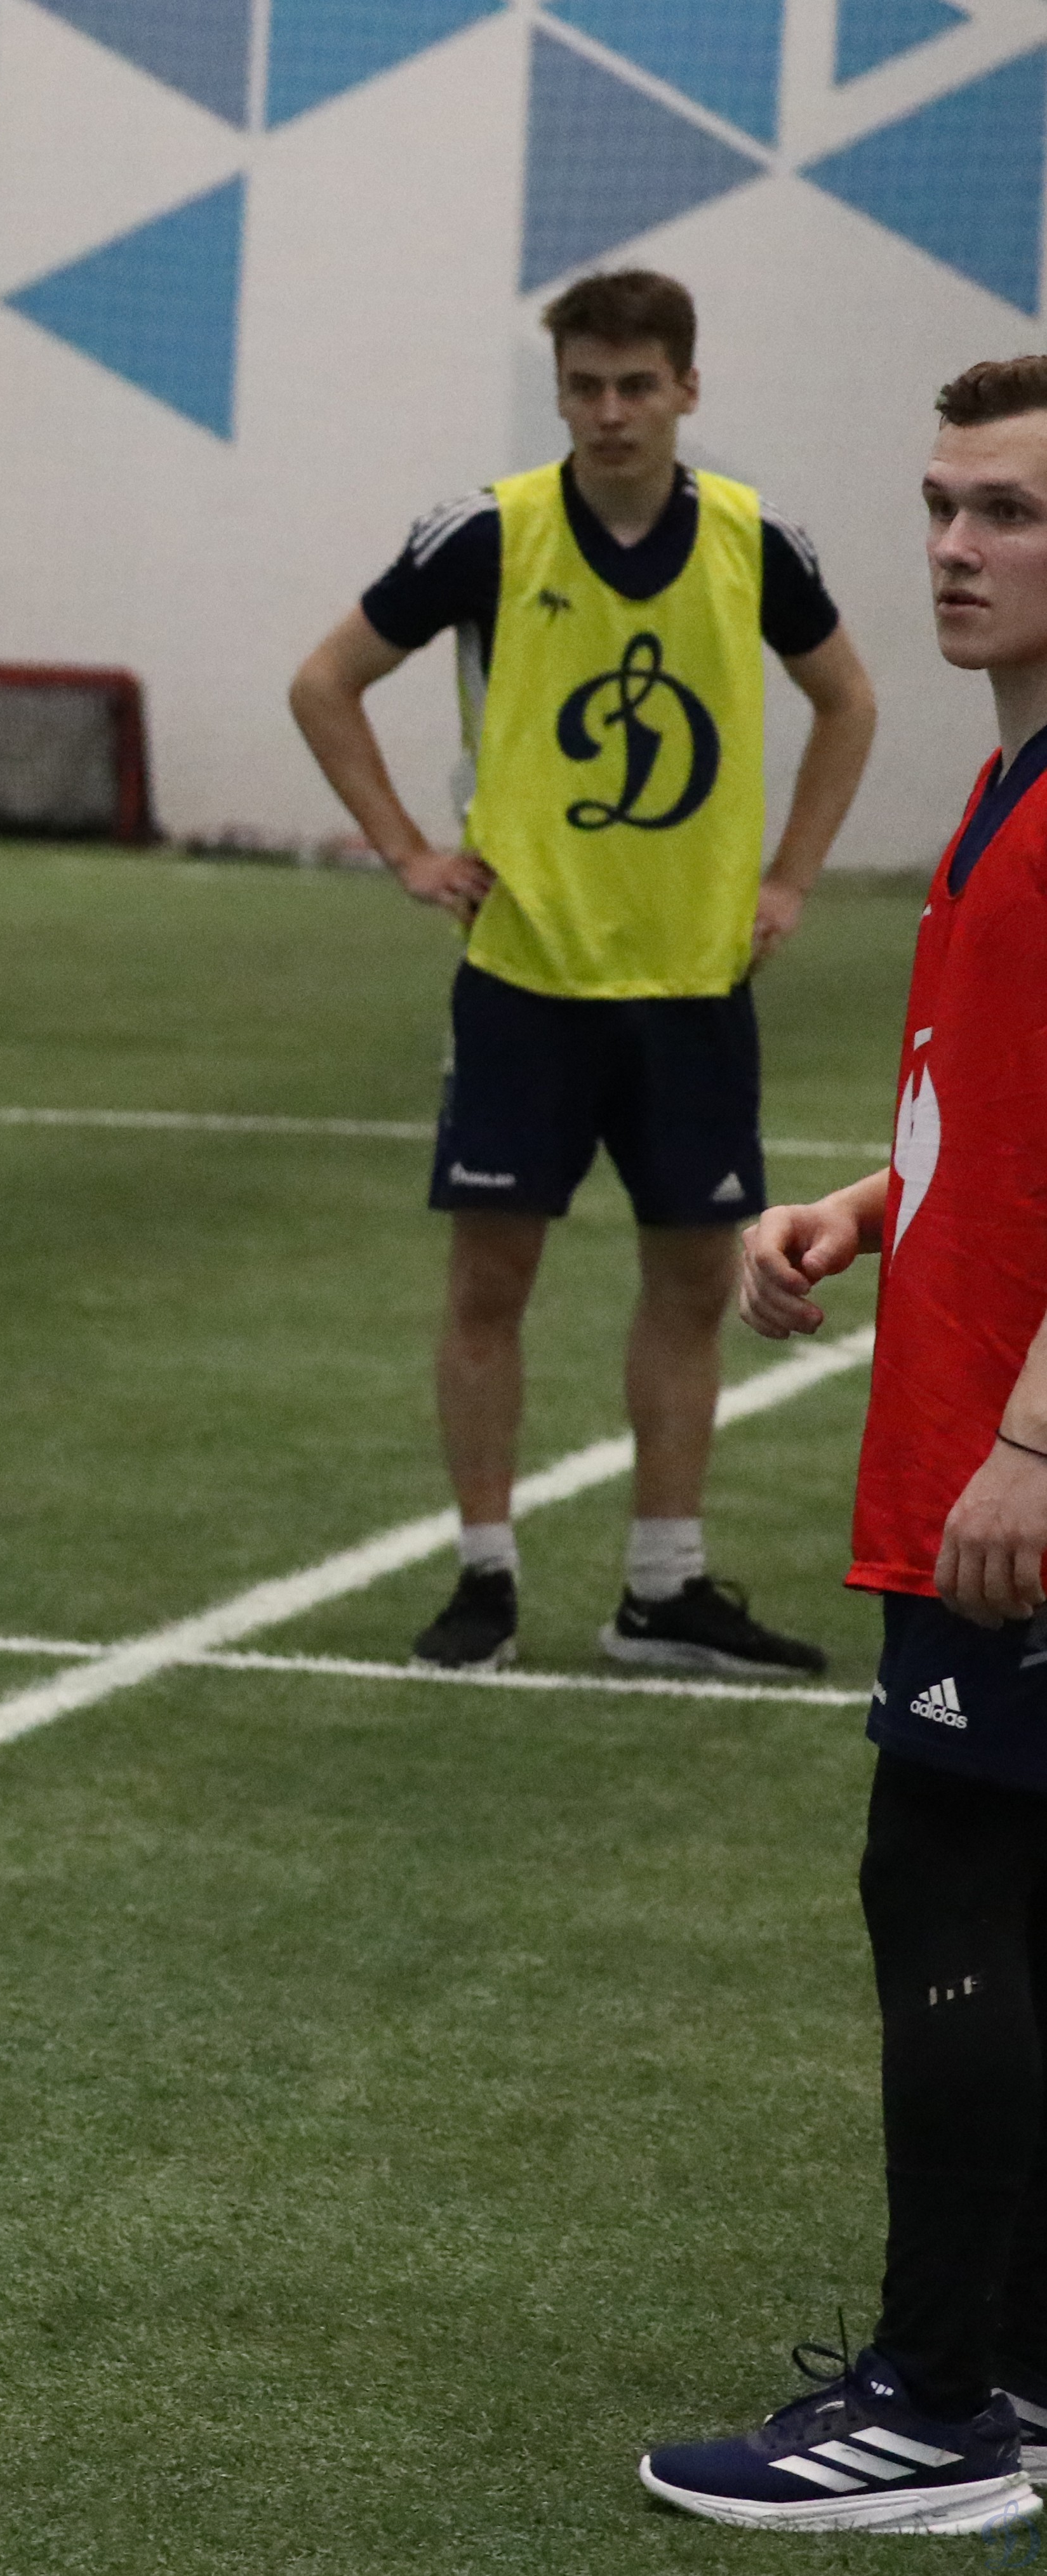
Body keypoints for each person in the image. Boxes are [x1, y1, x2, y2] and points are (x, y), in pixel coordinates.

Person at [635, 354, 1047, 2536]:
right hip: (978, 1429)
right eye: (943, 506)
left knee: (945, 1885)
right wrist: (881, 1204)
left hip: (1013, 1476)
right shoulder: (1010, 779)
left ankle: (941, 2403)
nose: (956, 550)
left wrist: (1035, 1444)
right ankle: (1017, 2372)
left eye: (1011, 514)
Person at [289, 267, 876, 1677]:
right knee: (490, 1283)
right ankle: (484, 1578)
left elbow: (847, 700)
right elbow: (324, 682)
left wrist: (789, 877)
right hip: (526, 981)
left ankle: (661, 1589)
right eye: (586, 387)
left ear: (686, 388)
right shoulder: (488, 534)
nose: (611, 412)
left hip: (691, 986)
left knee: (691, 1283)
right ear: (559, 394)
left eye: (637, 385)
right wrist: (409, 852)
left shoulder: (751, 541)